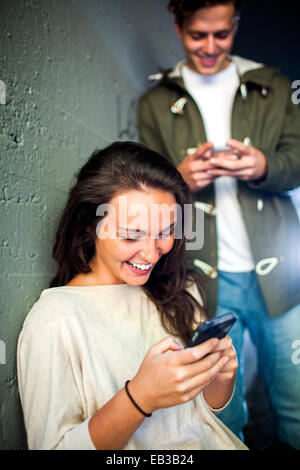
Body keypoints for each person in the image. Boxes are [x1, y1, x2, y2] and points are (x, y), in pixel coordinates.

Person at [137, 0, 300, 449]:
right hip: (204, 273)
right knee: (222, 413)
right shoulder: (155, 101)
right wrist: (178, 178)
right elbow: (144, 186)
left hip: (280, 273)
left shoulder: (273, 84)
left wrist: (264, 164)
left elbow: (298, 163)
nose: (210, 47)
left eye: (222, 35)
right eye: (197, 36)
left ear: (236, 26)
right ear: (177, 27)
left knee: (296, 402)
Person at [17, 141, 247, 450]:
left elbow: (206, 418)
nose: (152, 253)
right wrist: (139, 398)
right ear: (90, 226)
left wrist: (220, 378)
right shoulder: (56, 319)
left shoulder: (179, 289)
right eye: (131, 235)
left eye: (165, 231)